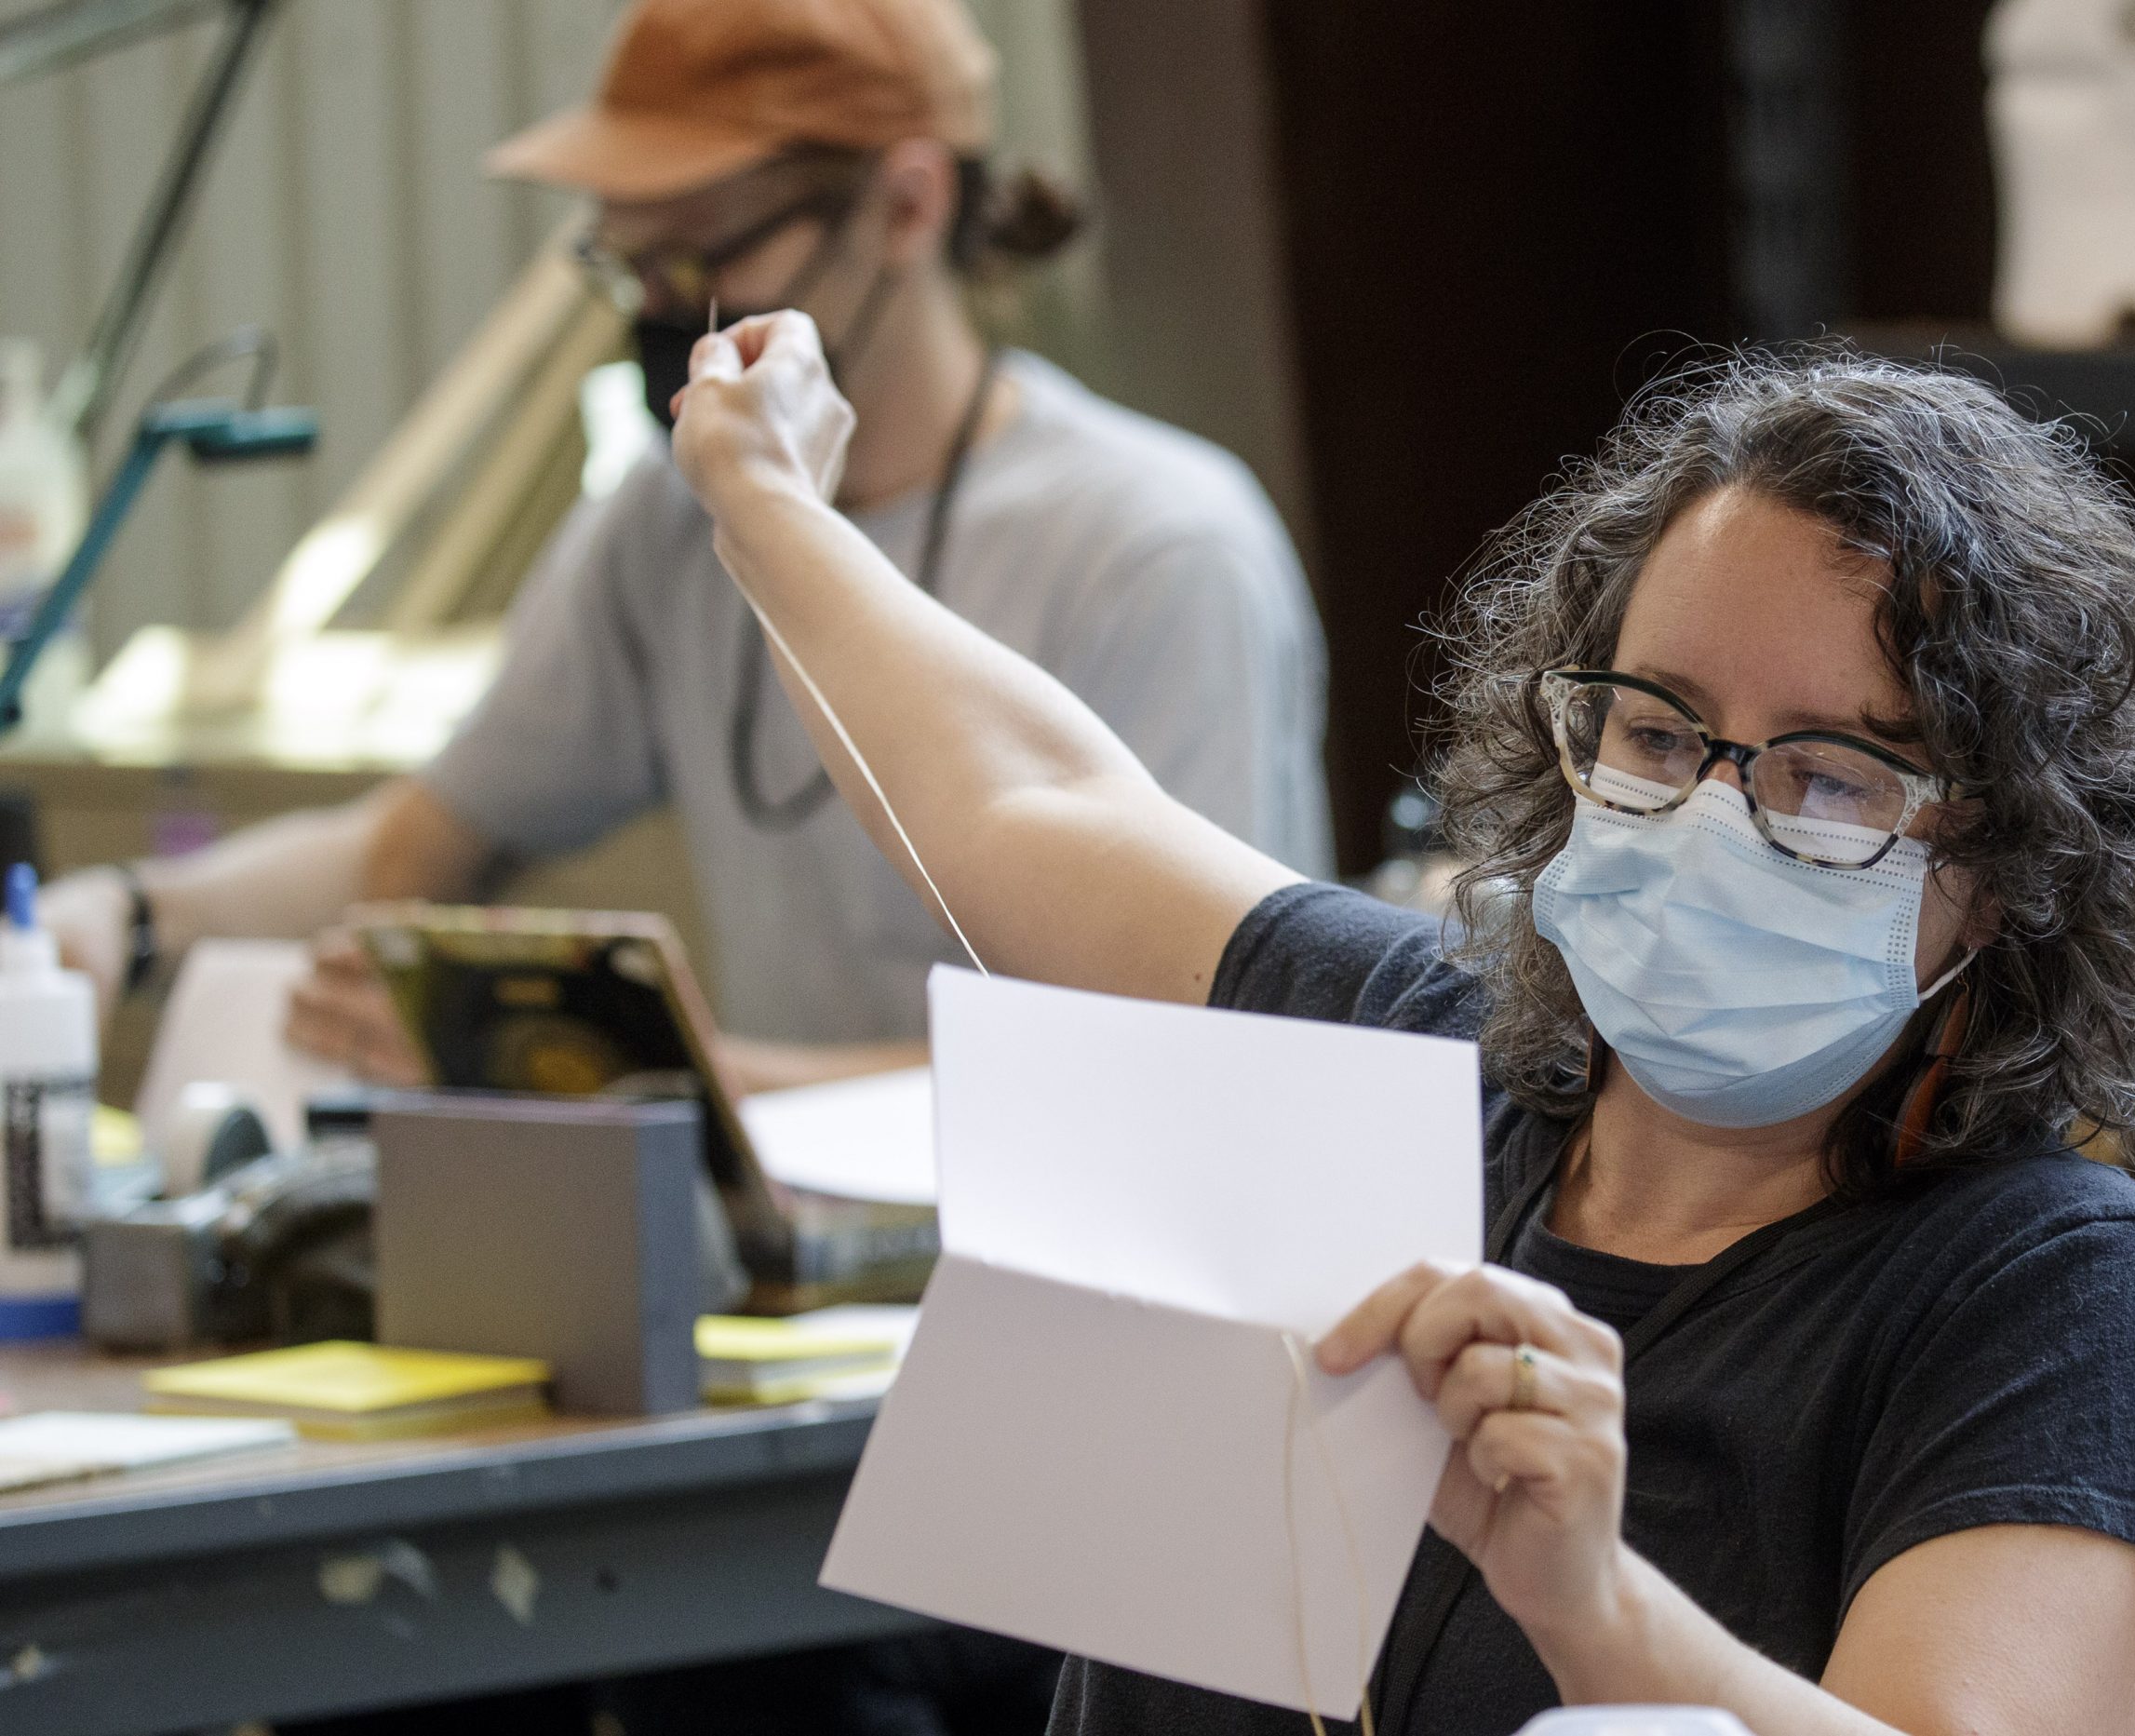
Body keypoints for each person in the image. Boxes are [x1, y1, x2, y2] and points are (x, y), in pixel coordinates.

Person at [669, 316, 2135, 1735]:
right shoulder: (1377, 1063)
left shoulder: (2071, 1305)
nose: (1712, 814)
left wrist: (1593, 1604)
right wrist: (763, 497)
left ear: (2011, 865)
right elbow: (1026, 793)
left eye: (1832, 777)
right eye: (1659, 731)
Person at [38, 0, 1331, 1097]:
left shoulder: (1155, 550)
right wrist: (131, 918)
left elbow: (1180, 1060)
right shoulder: (666, 535)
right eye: (632, 269)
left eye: (702, 258)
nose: (666, 315)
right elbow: (407, 851)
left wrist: (649, 1068)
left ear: (909, 201)